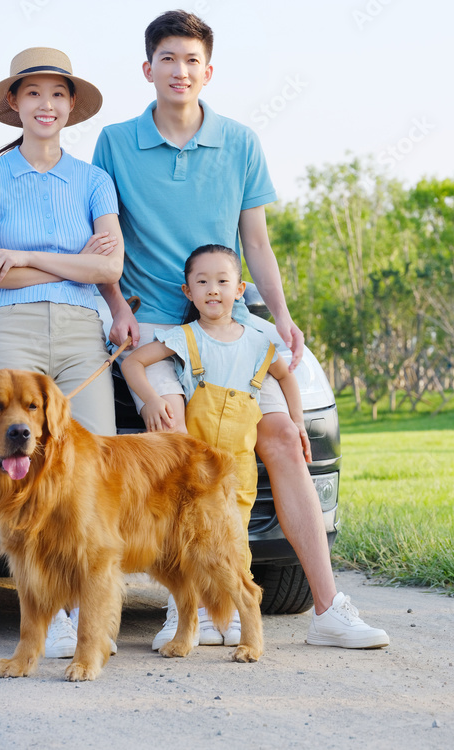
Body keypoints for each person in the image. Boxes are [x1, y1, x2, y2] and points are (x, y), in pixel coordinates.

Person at [94, 11, 389, 649]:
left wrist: (278, 315)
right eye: (167, 59)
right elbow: (105, 237)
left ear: (208, 70)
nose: (180, 71)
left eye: (191, 60)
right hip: (157, 326)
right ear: (148, 69)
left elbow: (256, 240)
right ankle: (187, 603)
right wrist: (116, 304)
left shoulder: (241, 141)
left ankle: (329, 608)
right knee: (176, 434)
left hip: (232, 321)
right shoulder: (115, 143)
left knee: (284, 436)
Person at [0, 47, 125, 659]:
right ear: (14, 103)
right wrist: (72, 262)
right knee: (10, 472)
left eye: (57, 94)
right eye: (33, 94)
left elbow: (108, 265)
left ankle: (91, 619)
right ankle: (45, 617)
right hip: (12, 331)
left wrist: (28, 257)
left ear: (71, 105)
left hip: (85, 330)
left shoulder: (93, 179)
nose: (46, 105)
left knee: (93, 469)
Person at [120, 245, 301, 647]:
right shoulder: (184, 339)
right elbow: (132, 362)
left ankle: (235, 615)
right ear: (187, 291)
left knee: (234, 539)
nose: (213, 290)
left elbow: (287, 377)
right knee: (183, 542)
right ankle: (189, 617)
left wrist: (298, 422)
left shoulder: (257, 341)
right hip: (194, 467)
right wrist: (151, 400)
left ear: (240, 290)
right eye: (202, 282)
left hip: (237, 463)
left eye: (223, 281)